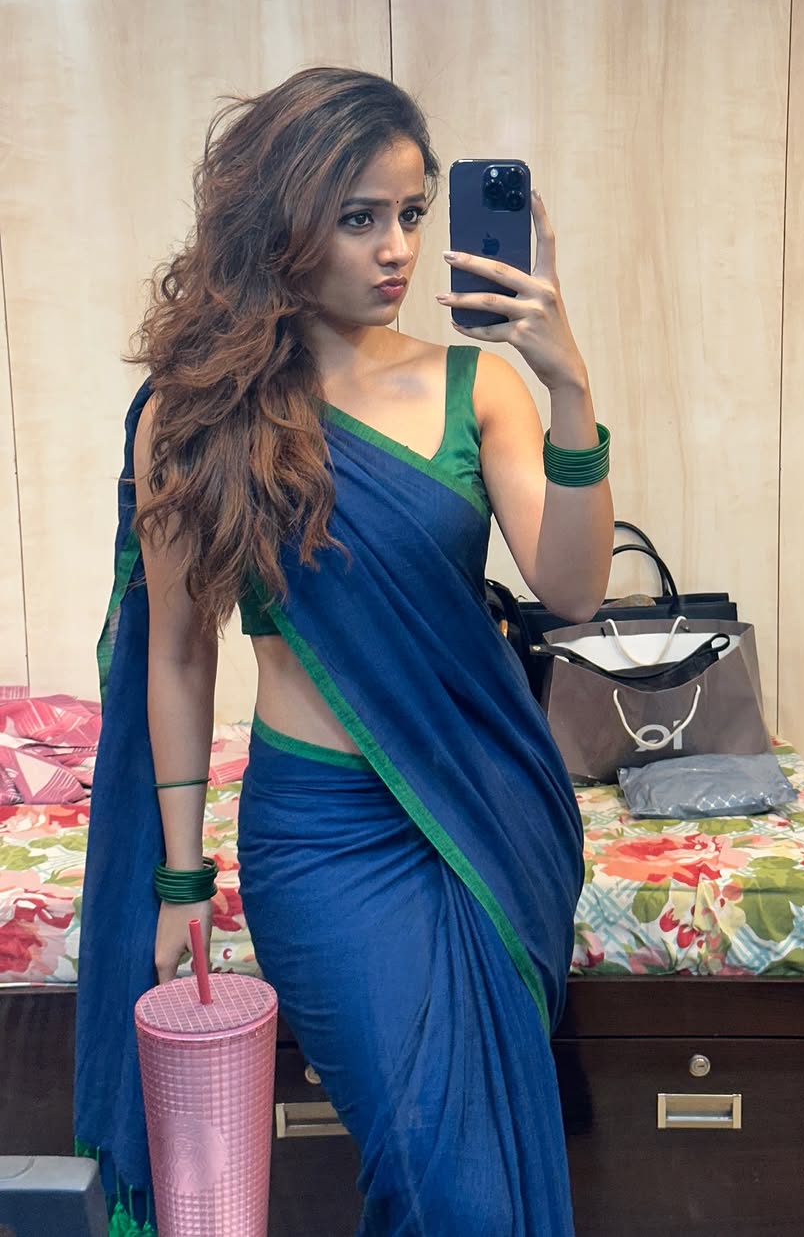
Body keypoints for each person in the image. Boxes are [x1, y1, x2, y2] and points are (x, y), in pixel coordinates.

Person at [74, 66, 614, 1235]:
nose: (398, 249)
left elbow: (573, 588)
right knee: (440, 1178)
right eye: (360, 216)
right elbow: (179, 656)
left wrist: (569, 388)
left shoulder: (477, 389)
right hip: (320, 839)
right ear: (281, 219)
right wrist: (180, 879)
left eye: (412, 213)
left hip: (488, 813)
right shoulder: (197, 414)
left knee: (463, 1180)